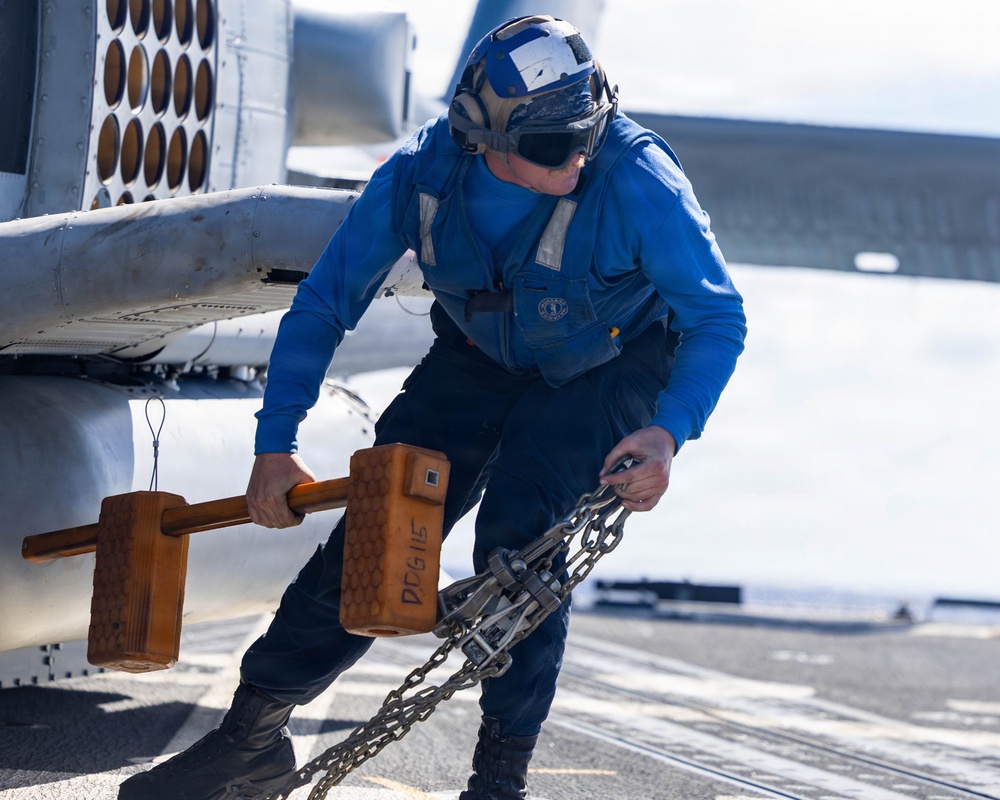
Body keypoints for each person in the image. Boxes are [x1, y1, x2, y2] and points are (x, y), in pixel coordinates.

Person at [119, 14, 746, 800]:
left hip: (608, 366)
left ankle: (498, 780)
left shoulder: (636, 179)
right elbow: (323, 305)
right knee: (376, 538)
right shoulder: (420, 176)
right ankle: (249, 739)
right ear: (490, 139)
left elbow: (718, 318)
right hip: (477, 360)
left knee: (519, 543)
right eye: (557, 146)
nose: (582, 155)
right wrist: (273, 445)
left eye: (590, 131)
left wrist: (667, 432)